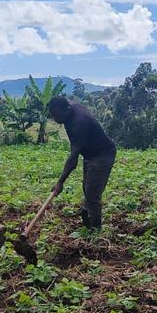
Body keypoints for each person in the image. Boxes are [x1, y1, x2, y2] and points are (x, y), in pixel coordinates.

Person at [48, 96, 116, 230]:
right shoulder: (71, 108)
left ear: (66, 109)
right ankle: (88, 217)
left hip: (103, 154)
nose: (55, 119)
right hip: (90, 153)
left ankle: (95, 231)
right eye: (53, 115)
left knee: (92, 194)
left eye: (57, 115)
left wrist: (60, 182)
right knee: (87, 188)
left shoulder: (78, 123)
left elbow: (73, 159)